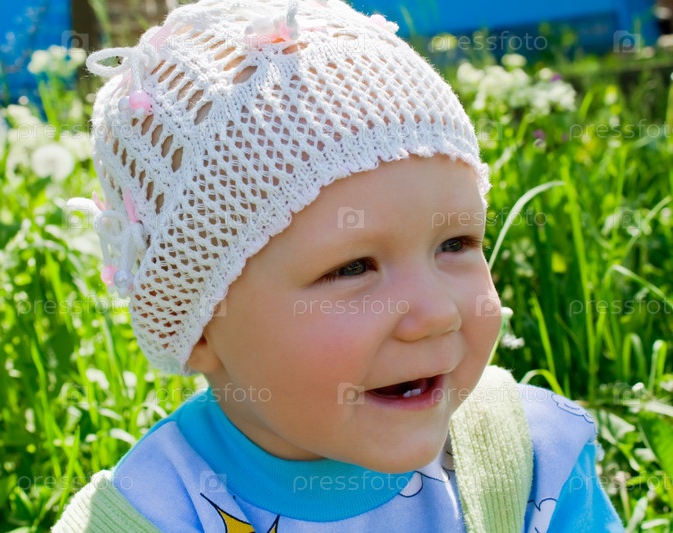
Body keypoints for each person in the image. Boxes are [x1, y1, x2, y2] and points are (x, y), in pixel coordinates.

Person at [55, 0, 623, 530]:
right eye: (354, 268)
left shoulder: (529, 462)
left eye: (455, 243)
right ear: (198, 324)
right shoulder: (153, 512)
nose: (437, 313)